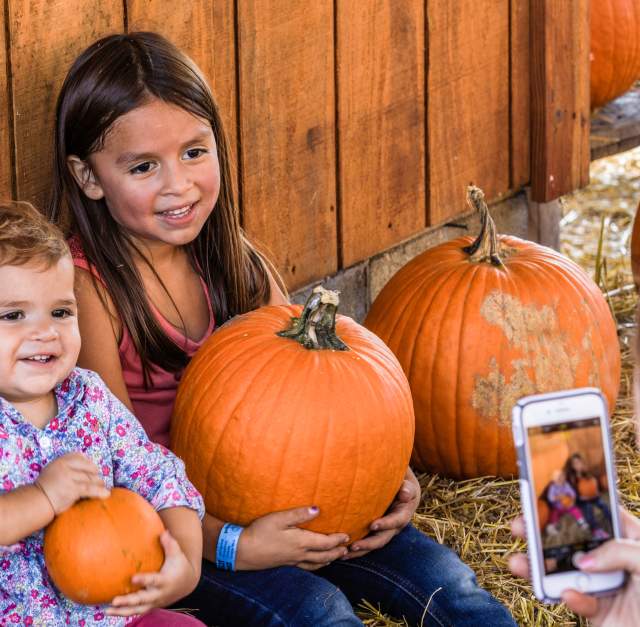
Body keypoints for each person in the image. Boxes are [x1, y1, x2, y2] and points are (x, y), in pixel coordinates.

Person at [49, 31, 517, 626]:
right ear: (88, 177)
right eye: (144, 166)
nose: (179, 184)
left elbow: (315, 388)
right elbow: (114, 466)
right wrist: (234, 545)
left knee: (450, 588)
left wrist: (382, 479)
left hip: (299, 509)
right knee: (316, 612)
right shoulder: (89, 293)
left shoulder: (234, 262)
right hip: (186, 537)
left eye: (195, 152)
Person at [0, 201, 206, 625]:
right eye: (13, 315)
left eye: (60, 311)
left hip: (112, 611)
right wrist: (41, 498)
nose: (45, 332)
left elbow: (160, 477)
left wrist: (184, 564)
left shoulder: (90, 400)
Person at [564, 453, 611, 539]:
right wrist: (581, 497)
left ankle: (613, 521)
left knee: (603, 504)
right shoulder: (572, 478)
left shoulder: (586, 474)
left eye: (579, 462)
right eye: (575, 463)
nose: (577, 465)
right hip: (581, 500)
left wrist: (596, 491)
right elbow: (573, 494)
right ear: (572, 466)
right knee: (588, 508)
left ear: (582, 463)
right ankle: (596, 530)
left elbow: (593, 485)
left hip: (593, 497)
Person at [544, 469, 591, 535]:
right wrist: (557, 497)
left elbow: (573, 494)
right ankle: (552, 526)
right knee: (554, 513)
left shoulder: (566, 485)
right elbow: (550, 498)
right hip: (558, 507)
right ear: (554, 480)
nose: (560, 480)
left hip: (567, 505)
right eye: (558, 478)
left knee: (575, 510)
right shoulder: (552, 487)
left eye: (562, 477)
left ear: (564, 478)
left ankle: (582, 522)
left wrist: (571, 500)